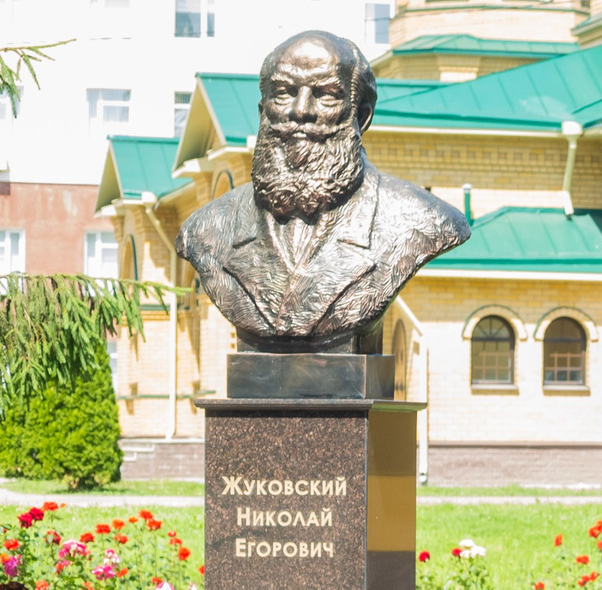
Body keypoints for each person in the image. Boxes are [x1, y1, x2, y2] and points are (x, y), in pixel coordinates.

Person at [177, 30, 471, 352]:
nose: (301, 111)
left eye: (325, 94)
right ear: (263, 110)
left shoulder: (419, 220)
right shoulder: (205, 230)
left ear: (361, 116)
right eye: (284, 93)